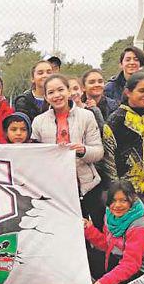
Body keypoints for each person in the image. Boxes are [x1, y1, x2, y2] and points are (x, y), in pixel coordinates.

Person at [31, 74, 104, 220]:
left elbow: (99, 152)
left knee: (91, 231)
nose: (57, 95)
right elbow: (34, 156)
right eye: (51, 92)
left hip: (86, 185)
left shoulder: (86, 116)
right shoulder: (39, 122)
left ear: (68, 92)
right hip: (54, 188)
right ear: (45, 97)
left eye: (60, 90)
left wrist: (83, 150)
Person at [0, 111, 45, 284]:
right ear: (6, 132)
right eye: (13, 129)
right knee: (9, 245)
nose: (18, 133)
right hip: (8, 207)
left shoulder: (38, 150)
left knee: (32, 244)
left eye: (23, 129)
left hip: (31, 206)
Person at [101, 72, 144, 214]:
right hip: (125, 192)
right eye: (141, 91)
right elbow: (109, 161)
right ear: (128, 92)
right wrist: (116, 192)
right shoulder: (115, 120)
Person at [104, 47, 144, 114]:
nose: (132, 63)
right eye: (128, 60)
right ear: (121, 64)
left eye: (136, 60)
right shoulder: (110, 87)